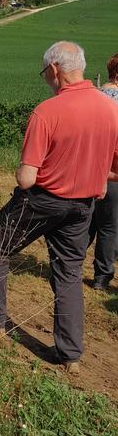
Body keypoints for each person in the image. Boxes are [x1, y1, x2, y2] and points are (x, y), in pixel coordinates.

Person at [0, 42, 118, 374]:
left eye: (45, 71)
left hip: (42, 200)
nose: (46, 77)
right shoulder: (110, 109)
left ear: (55, 69)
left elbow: (26, 178)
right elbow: (111, 168)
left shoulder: (47, 112)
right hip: (83, 206)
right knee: (69, 272)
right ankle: (70, 353)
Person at [88, 52, 118, 290]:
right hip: (113, 171)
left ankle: (66, 263)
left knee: (87, 221)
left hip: (88, 168)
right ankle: (102, 276)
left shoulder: (94, 96)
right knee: (109, 226)